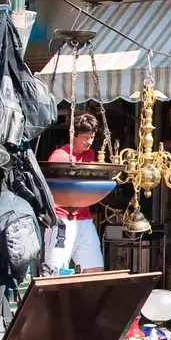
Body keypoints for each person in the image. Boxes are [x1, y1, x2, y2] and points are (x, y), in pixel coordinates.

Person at [45, 112, 104, 274]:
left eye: (91, 137)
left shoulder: (91, 155)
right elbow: (50, 189)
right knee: (55, 271)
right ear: (74, 135)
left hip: (84, 218)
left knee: (95, 269)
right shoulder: (60, 156)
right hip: (62, 219)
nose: (89, 142)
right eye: (85, 137)